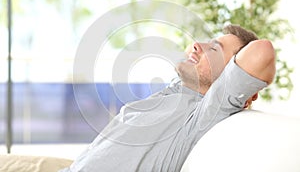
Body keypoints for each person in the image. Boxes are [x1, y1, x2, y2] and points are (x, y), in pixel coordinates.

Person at [59, 24, 276, 172]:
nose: (197, 45)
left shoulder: (205, 111)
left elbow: (261, 52)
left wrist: (239, 86)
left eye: (214, 49)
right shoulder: (175, 91)